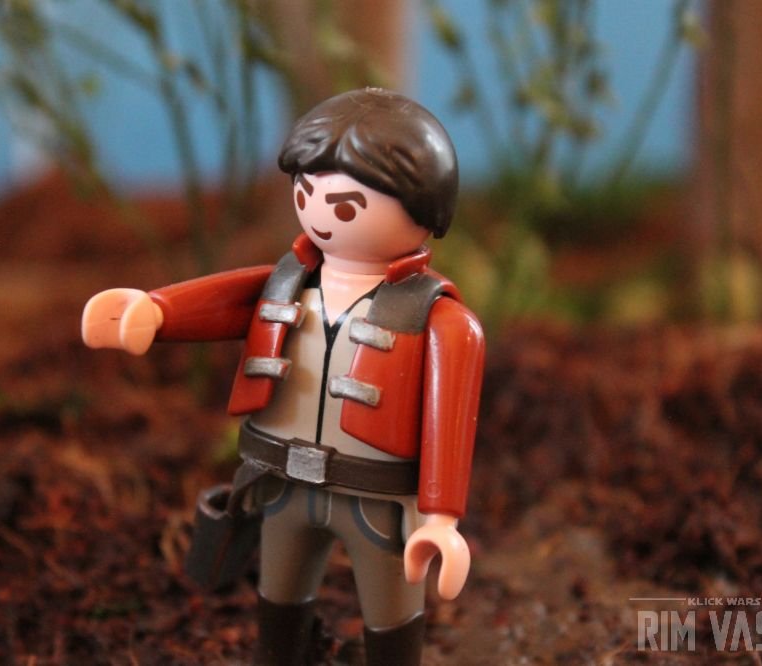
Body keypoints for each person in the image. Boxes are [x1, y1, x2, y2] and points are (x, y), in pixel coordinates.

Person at [82, 87, 484, 665]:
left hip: (375, 498)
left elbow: (451, 425)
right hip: (282, 484)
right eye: (305, 192)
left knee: (390, 614)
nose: (318, 214)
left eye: (343, 206)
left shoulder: (439, 320)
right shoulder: (288, 285)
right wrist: (157, 312)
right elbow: (227, 300)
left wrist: (441, 517)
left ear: (424, 208)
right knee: (280, 601)